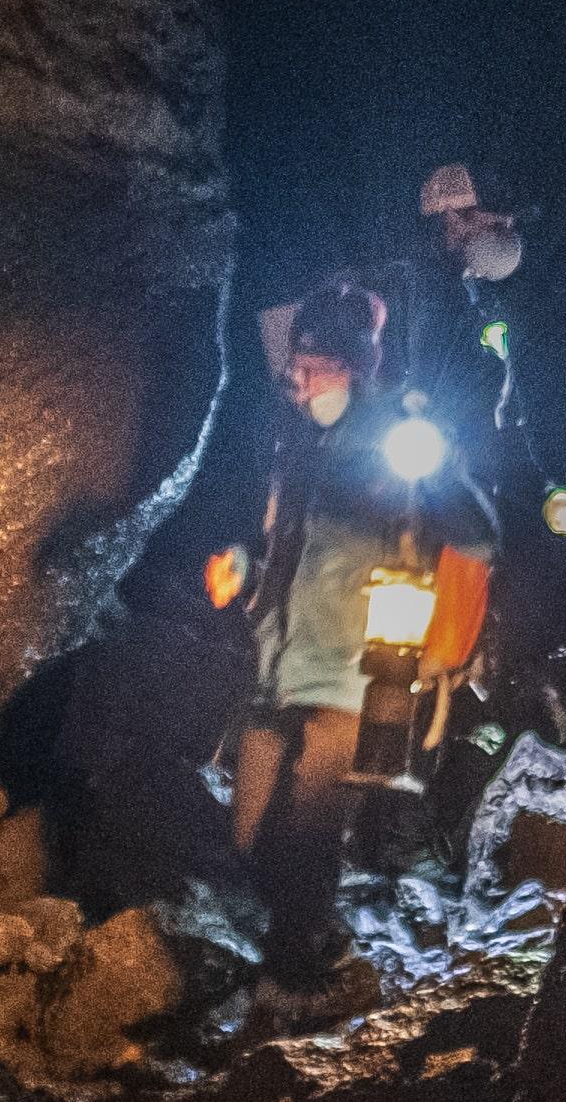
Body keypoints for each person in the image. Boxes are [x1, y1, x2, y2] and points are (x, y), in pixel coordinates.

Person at [210, 281, 496, 973]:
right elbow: (281, 543)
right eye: (296, 366)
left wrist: (430, 474)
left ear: (353, 364)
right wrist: (242, 566)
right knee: (249, 834)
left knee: (310, 824)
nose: (299, 380)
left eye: (314, 365)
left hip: (355, 668)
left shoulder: (403, 435)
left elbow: (477, 534)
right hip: (278, 663)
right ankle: (295, 944)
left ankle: (295, 969)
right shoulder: (299, 444)